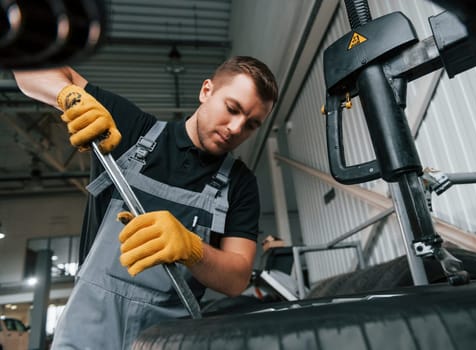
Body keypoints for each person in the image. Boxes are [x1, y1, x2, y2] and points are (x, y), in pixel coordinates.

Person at [13, 55, 278, 349]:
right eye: (232, 109)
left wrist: (192, 248)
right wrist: (69, 95)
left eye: (251, 124)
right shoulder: (131, 130)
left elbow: (237, 278)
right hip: (86, 333)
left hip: (168, 340)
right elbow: (28, 67)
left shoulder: (239, 184)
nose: (236, 128)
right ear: (206, 91)